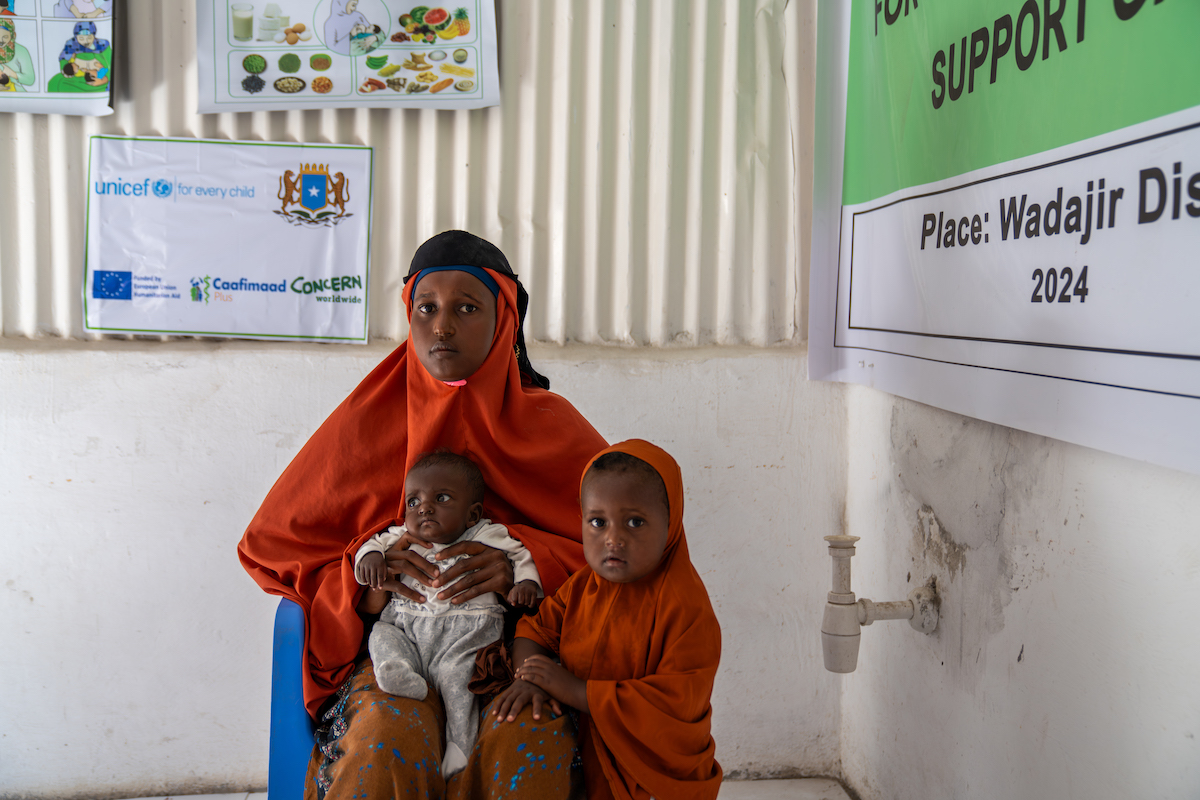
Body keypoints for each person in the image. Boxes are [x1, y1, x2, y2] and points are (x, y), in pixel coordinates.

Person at [239, 229, 608, 800]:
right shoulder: (366, 421)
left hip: (521, 649)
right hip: (394, 644)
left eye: (467, 307)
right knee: (387, 740)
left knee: (528, 747)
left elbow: (621, 559)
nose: (443, 326)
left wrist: (528, 563)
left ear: (504, 320)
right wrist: (369, 583)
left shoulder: (556, 430)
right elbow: (275, 548)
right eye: (426, 307)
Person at [496, 440, 723, 800]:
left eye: (635, 522)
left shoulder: (685, 607)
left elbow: (676, 704)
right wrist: (531, 679)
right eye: (598, 522)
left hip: (650, 777)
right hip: (585, 757)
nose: (613, 539)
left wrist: (576, 690)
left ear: (671, 523)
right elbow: (535, 631)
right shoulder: (584, 585)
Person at [353, 450, 542, 776]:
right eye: (413, 502)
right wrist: (370, 560)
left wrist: (525, 582)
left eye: (440, 498)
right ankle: (395, 671)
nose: (424, 508)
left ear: (472, 515)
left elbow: (520, 552)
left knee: (459, 677)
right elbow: (372, 544)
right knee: (382, 635)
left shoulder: (484, 533)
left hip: (464, 632)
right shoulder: (403, 536)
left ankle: (459, 746)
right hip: (408, 625)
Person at [47, 21, 111, 93]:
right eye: (81, 38)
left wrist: (104, 80)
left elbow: (111, 64)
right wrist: (70, 72)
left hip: (99, 77)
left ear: (94, 35)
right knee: (56, 82)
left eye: (89, 38)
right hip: (77, 78)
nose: (85, 41)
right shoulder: (71, 45)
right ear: (76, 36)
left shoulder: (102, 45)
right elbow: (64, 60)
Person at [0, 19, 35, 92]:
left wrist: (12, 74)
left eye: (5, 36)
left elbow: (30, 79)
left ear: (13, 35)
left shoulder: (21, 50)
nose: (1, 40)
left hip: (16, 92)